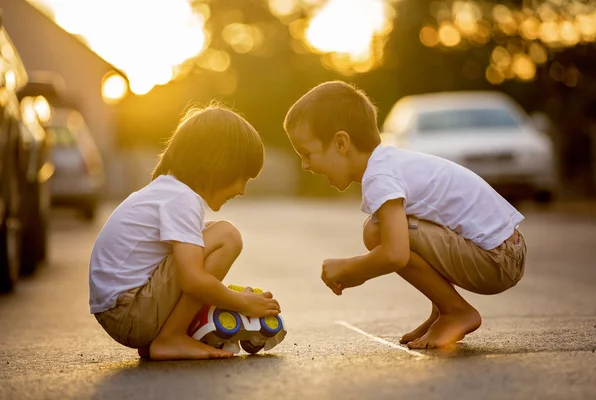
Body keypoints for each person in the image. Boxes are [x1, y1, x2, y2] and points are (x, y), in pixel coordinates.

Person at [283, 81, 526, 349]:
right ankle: (443, 311)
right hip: (505, 251)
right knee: (383, 229)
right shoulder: (389, 162)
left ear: (341, 142)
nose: (305, 165)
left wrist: (352, 269)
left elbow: (395, 253)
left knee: (377, 233)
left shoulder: (380, 176)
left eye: (307, 154)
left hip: (496, 260)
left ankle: (456, 311)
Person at [89, 105, 281, 360]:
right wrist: (241, 302)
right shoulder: (181, 198)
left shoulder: (169, 191)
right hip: (129, 312)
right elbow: (193, 280)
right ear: (218, 164)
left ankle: (163, 337)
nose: (242, 190)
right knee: (227, 235)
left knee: (210, 233)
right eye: (242, 178)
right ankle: (171, 337)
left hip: (125, 311)